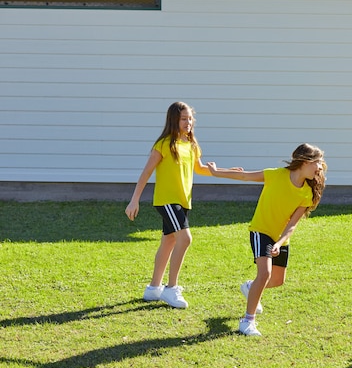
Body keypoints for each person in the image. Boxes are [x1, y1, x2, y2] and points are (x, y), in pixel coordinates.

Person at [207, 143, 327, 336]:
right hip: (261, 230)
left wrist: (279, 243)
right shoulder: (275, 175)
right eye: (317, 163)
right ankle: (247, 321)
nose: (320, 168)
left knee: (277, 280)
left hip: (280, 239)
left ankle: (250, 287)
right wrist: (215, 172)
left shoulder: (307, 193)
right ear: (305, 162)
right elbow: (245, 176)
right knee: (265, 274)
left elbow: (293, 225)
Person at [125, 101, 235, 309]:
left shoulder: (191, 144)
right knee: (185, 239)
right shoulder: (165, 144)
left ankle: (153, 288)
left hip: (183, 200)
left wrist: (225, 170)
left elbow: (200, 168)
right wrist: (134, 199)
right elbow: (147, 172)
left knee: (169, 241)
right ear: (174, 120)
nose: (188, 122)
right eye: (184, 119)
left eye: (190, 118)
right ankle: (171, 288)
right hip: (167, 200)